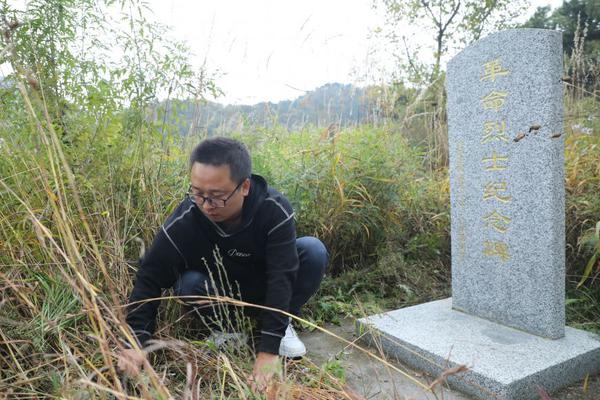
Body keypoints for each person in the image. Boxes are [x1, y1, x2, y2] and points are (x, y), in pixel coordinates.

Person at [118, 137, 328, 393]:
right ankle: (227, 330)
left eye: (217, 196)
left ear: (245, 186)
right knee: (189, 284)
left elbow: (281, 277)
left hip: (265, 289)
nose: (206, 206)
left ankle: (278, 328)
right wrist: (136, 341)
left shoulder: (273, 210)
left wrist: (268, 351)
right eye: (197, 193)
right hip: (220, 293)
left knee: (312, 251)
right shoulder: (187, 219)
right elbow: (149, 277)